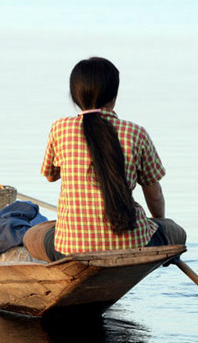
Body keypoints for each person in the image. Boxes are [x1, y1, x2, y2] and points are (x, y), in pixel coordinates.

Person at [24, 57, 186, 261]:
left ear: (75, 97)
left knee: (32, 236)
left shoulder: (60, 129)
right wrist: (159, 222)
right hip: (131, 245)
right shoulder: (135, 133)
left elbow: (49, 176)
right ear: (114, 97)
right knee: (175, 231)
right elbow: (154, 195)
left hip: (71, 248)